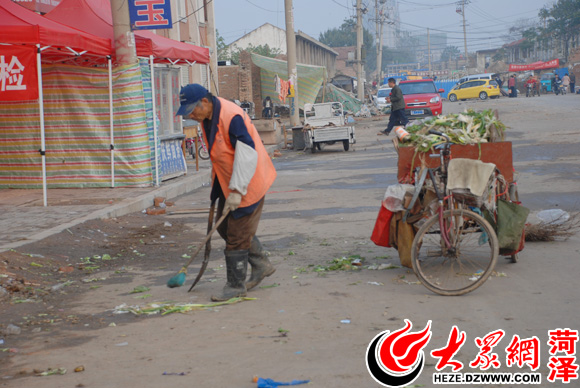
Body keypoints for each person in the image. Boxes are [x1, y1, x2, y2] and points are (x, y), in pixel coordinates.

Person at [176, 84, 277, 301]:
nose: (191, 116)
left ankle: (235, 286)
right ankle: (261, 264)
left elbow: (247, 154)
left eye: (193, 111)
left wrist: (238, 190)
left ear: (205, 102)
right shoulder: (208, 117)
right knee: (223, 227)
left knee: (237, 236)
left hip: (248, 181)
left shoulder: (232, 116)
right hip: (227, 181)